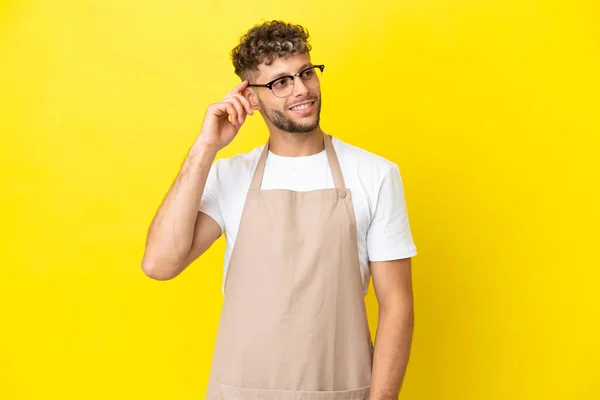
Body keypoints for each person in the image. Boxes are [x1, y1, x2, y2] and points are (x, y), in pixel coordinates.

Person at [142, 20, 418, 400]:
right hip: (241, 391)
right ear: (250, 98)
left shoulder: (374, 174)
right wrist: (205, 148)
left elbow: (397, 304)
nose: (302, 89)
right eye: (280, 82)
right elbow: (160, 264)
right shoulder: (229, 176)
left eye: (306, 73)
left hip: (339, 390)